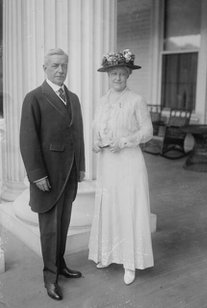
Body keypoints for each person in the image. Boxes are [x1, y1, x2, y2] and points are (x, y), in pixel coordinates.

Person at [20, 48, 85, 301]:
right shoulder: (34, 98)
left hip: (69, 174)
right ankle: (50, 277)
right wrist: (37, 175)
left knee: (63, 224)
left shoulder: (74, 98)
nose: (61, 71)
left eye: (64, 66)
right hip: (46, 175)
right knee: (49, 229)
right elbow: (27, 139)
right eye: (55, 66)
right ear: (44, 68)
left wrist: (80, 167)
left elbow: (77, 135)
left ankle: (60, 265)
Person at [88, 49, 154, 285]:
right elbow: (97, 128)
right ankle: (107, 254)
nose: (117, 78)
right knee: (111, 207)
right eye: (113, 73)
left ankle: (130, 263)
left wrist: (125, 141)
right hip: (108, 163)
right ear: (107, 75)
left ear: (128, 76)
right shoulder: (102, 101)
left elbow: (148, 132)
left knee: (128, 207)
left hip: (128, 161)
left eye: (122, 74)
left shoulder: (135, 100)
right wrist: (96, 142)